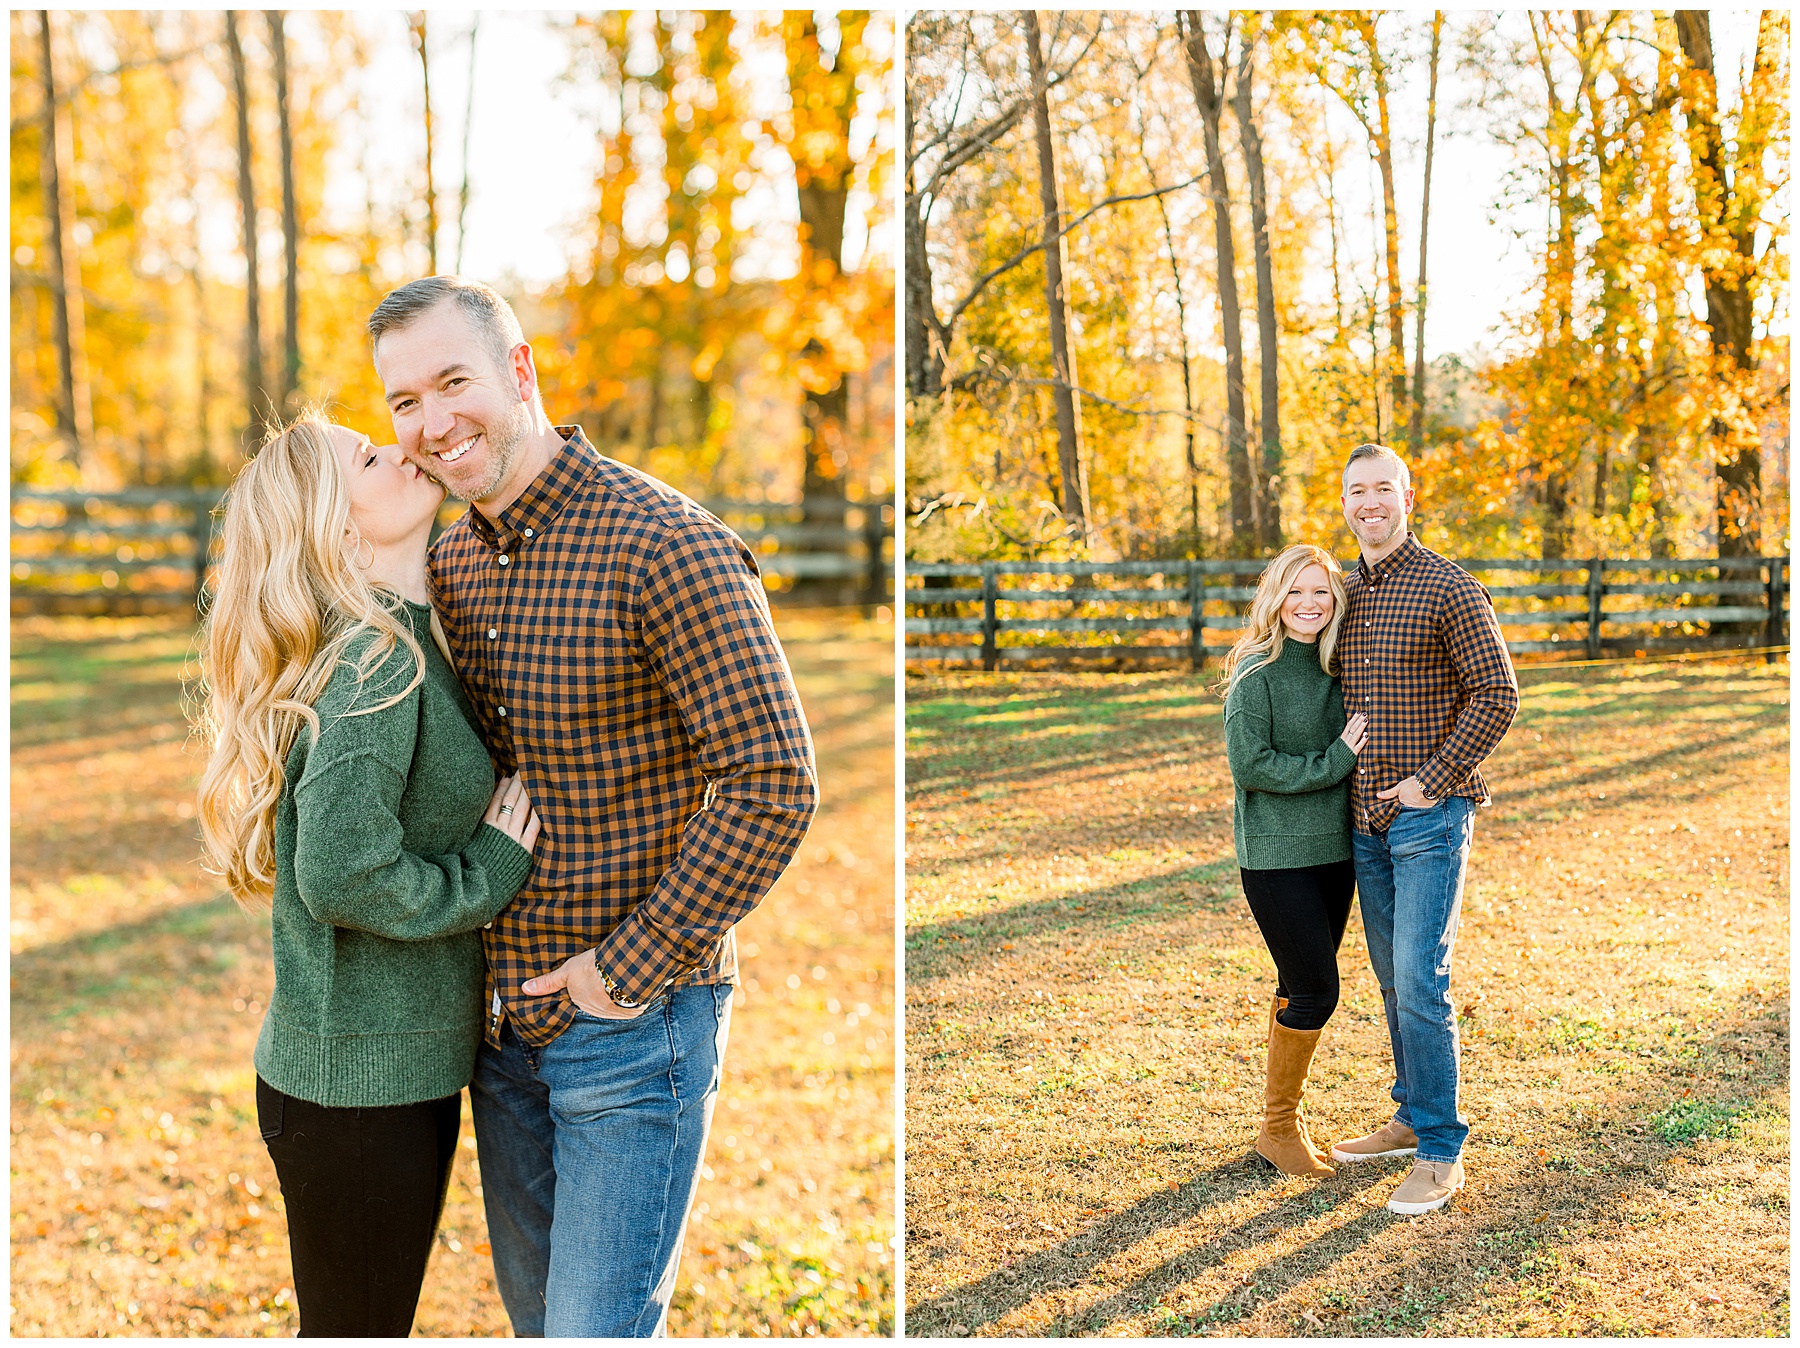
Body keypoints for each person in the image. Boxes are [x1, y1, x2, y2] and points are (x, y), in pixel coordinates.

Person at [366, 275, 819, 1337]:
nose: (432, 423)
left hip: (634, 1025)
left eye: (452, 382)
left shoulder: (666, 544)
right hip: (497, 1034)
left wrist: (625, 967)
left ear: (518, 370)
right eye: (402, 402)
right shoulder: (449, 558)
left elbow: (773, 780)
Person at [194, 414, 543, 1336]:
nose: (404, 450)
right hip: (354, 1089)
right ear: (337, 527)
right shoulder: (374, 662)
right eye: (370, 458)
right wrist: (486, 873)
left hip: (385, 1073)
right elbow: (340, 874)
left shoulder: (407, 639)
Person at [1329, 442, 1519, 1215]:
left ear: (1409, 498)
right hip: (1362, 822)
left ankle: (1441, 1149)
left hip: (1429, 819)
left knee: (1420, 980)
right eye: (1355, 491)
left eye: (1383, 489)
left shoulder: (1449, 587)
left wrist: (1427, 783)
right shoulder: (1344, 593)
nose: (1369, 502)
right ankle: (1409, 1115)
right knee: (1389, 977)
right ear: (1344, 503)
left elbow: (1498, 694)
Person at [1222, 544, 1368, 1178]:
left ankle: (1279, 1129)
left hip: (1336, 852)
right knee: (1316, 990)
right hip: (1277, 858)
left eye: (1322, 593)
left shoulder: (1341, 669)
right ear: (1275, 598)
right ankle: (1279, 1129)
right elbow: (1251, 767)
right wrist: (1336, 758)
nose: (1309, 605)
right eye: (1297, 592)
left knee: (1295, 983)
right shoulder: (1256, 676)